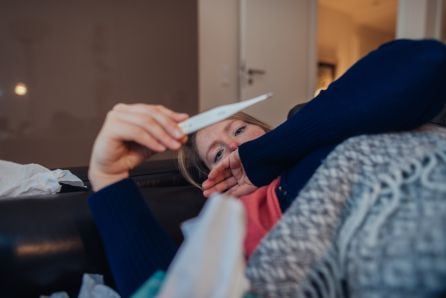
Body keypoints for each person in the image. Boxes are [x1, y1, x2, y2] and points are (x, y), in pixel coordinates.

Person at [88, 39, 446, 297]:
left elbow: (428, 62)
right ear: (214, 181)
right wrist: (108, 177)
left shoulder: (315, 123)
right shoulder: (234, 223)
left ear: (268, 131)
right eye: (218, 154)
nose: (235, 146)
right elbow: (170, 288)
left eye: (240, 130)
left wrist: (266, 154)